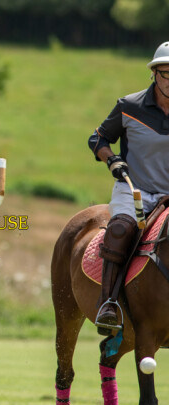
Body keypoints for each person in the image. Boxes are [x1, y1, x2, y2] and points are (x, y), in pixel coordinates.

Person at [88, 41, 169, 335]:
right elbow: (98, 139)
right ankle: (108, 304)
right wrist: (112, 161)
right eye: (166, 73)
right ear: (154, 74)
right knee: (121, 229)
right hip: (136, 191)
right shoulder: (129, 106)